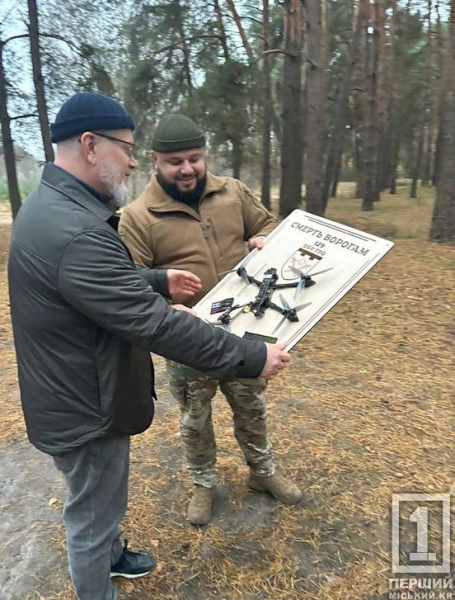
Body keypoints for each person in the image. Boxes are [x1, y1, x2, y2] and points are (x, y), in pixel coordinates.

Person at [8, 93, 291, 600]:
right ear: (91, 145)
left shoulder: (56, 207)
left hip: (79, 388)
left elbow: (97, 281)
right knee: (92, 515)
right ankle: (100, 584)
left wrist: (156, 279)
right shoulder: (74, 226)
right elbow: (152, 325)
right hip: (85, 404)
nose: (134, 160)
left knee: (99, 502)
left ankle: (114, 556)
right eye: (127, 147)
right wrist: (251, 355)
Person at [119, 114, 303, 527]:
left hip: (244, 331)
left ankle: (263, 473)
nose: (187, 169)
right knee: (195, 417)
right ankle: (204, 483)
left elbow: (269, 225)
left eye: (195, 158)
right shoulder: (138, 216)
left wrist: (265, 240)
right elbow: (128, 283)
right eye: (175, 161)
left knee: (251, 407)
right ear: (155, 161)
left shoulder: (233, 192)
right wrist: (166, 307)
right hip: (186, 337)